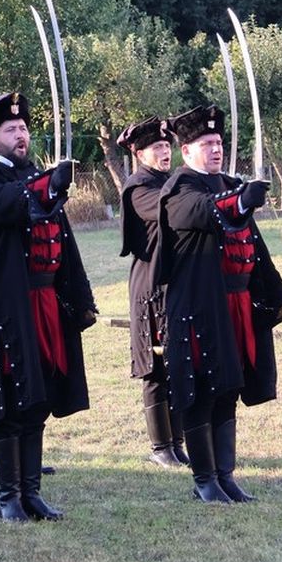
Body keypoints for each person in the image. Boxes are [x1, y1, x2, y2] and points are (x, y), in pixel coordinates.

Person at [0, 93, 96, 522]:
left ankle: (31, 492)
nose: (22, 135)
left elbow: (60, 237)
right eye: (12, 130)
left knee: (37, 398)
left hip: (45, 301)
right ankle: (8, 497)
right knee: (8, 398)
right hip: (4, 305)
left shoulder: (33, 175)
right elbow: (4, 204)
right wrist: (46, 185)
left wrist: (79, 299)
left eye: (24, 128)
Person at [157, 104, 282, 504]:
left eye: (218, 142)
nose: (215, 149)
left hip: (236, 305)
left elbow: (254, 245)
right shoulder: (180, 188)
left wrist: (275, 293)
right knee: (201, 390)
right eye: (206, 143)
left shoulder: (228, 184)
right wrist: (241, 202)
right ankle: (205, 480)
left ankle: (225, 475)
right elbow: (205, 213)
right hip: (198, 306)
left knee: (228, 387)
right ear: (187, 152)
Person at [116, 115, 185, 468]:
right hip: (150, 286)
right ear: (140, 154)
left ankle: (178, 441)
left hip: (176, 283)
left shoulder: (172, 180)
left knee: (179, 362)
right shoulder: (139, 186)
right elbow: (169, 210)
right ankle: (161, 447)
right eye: (156, 147)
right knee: (156, 368)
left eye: (166, 146)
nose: (164, 152)